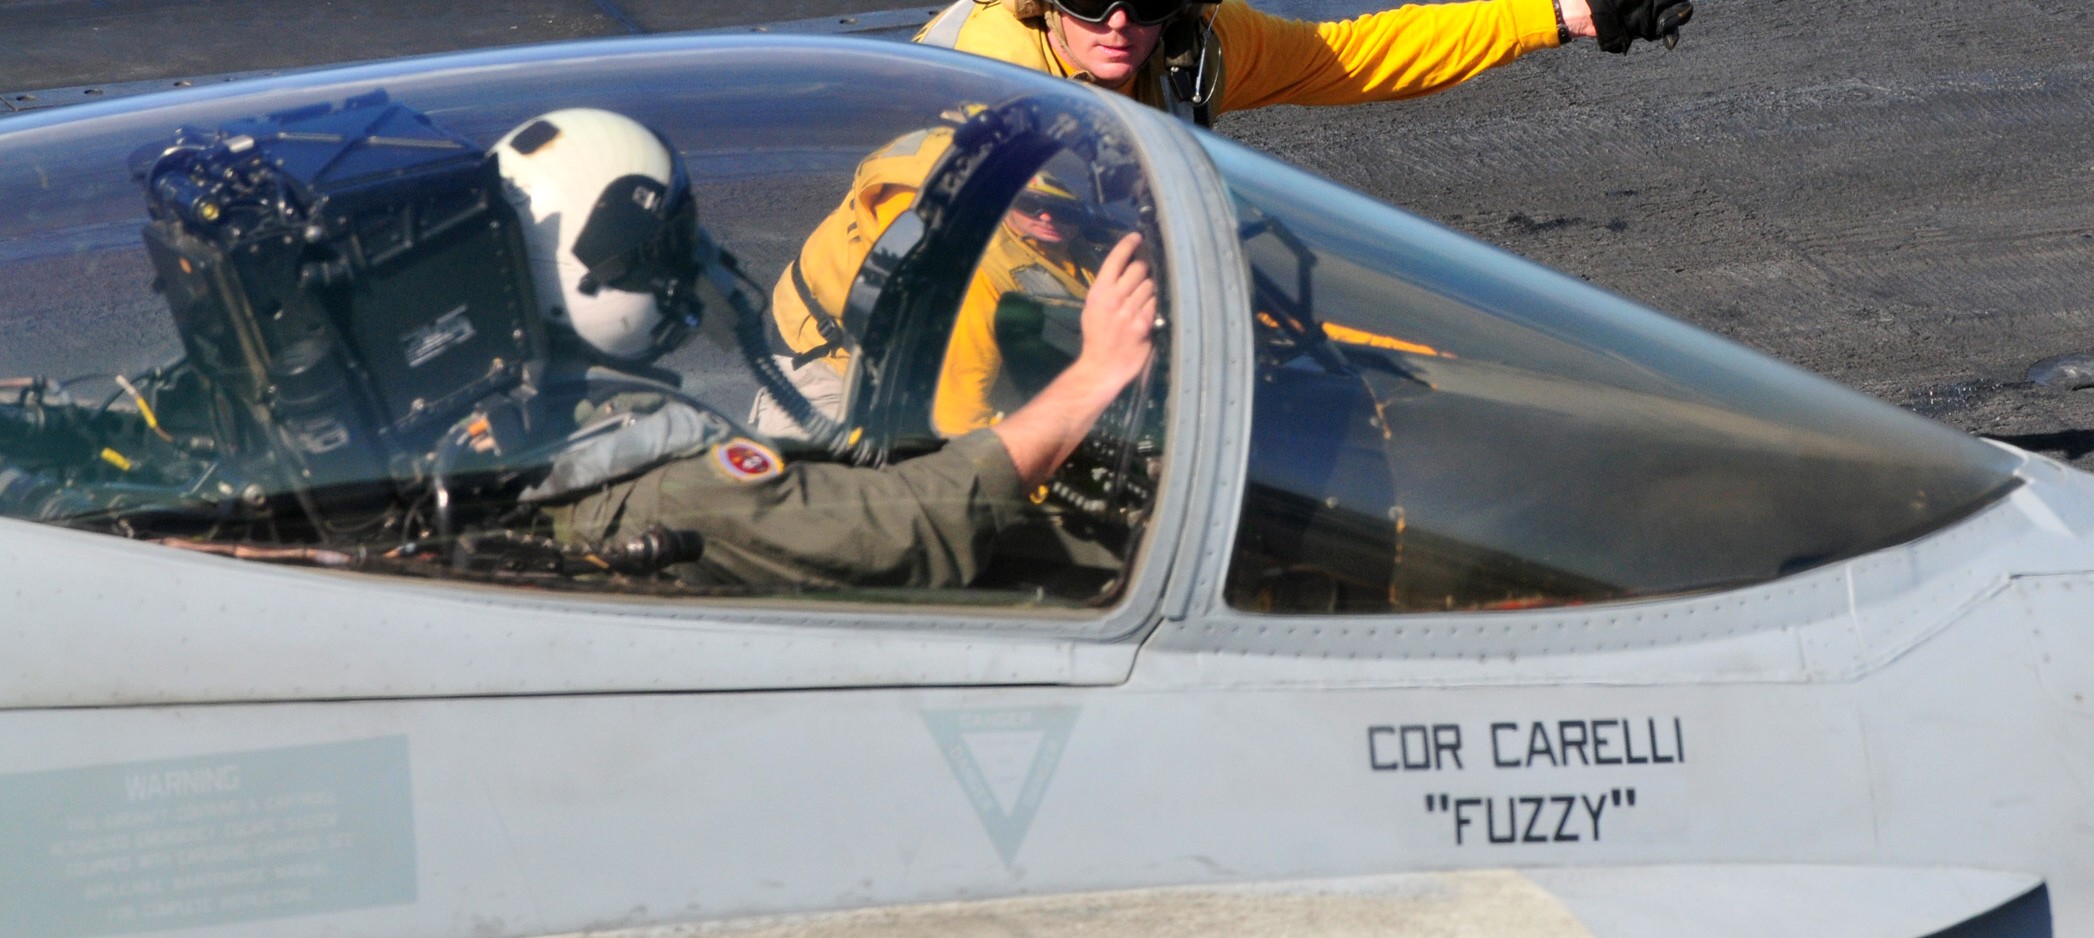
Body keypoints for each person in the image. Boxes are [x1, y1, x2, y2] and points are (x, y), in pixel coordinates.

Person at [490, 109, 1159, 590]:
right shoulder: (669, 493)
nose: (706, 258)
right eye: (679, 240)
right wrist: (1095, 376)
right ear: (595, 277)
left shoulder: (516, 412)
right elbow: (909, 529)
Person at [916, 0, 1696, 127]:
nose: (1118, 22)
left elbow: (1354, 55)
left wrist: (1558, 14)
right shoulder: (993, 83)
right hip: (867, 381)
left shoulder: (1193, 51)